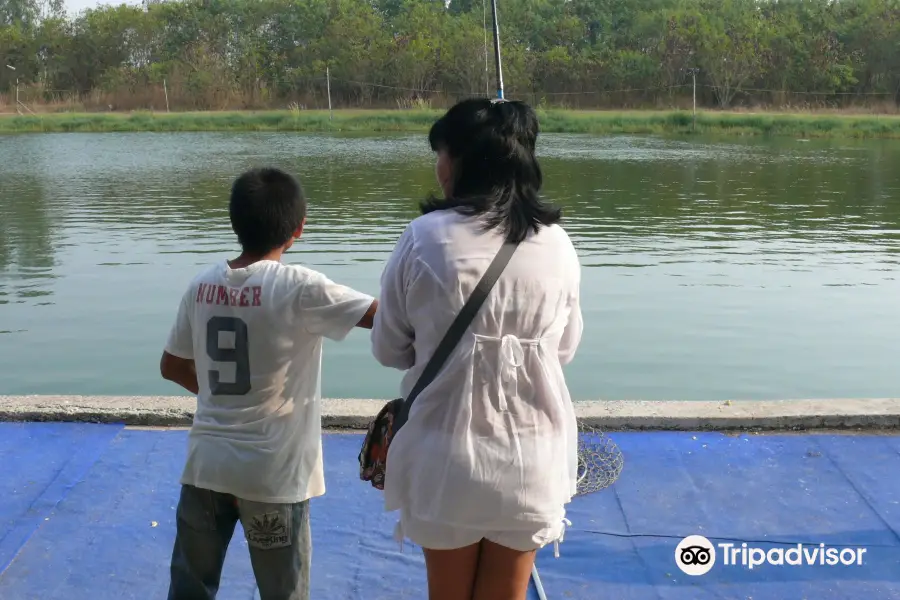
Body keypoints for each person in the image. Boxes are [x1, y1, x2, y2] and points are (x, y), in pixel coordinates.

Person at [370, 98, 583, 600]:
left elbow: (389, 349)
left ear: (465, 159)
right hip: (534, 455)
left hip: (446, 457)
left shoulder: (424, 238)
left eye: (442, 154)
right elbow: (563, 351)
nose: (439, 168)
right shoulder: (558, 244)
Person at [159, 167, 377, 600]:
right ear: (298, 229)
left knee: (191, 588)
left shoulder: (200, 285)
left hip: (207, 465)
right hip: (273, 476)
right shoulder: (300, 287)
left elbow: (172, 366)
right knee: (283, 591)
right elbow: (383, 318)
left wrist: (221, 397)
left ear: (234, 222)